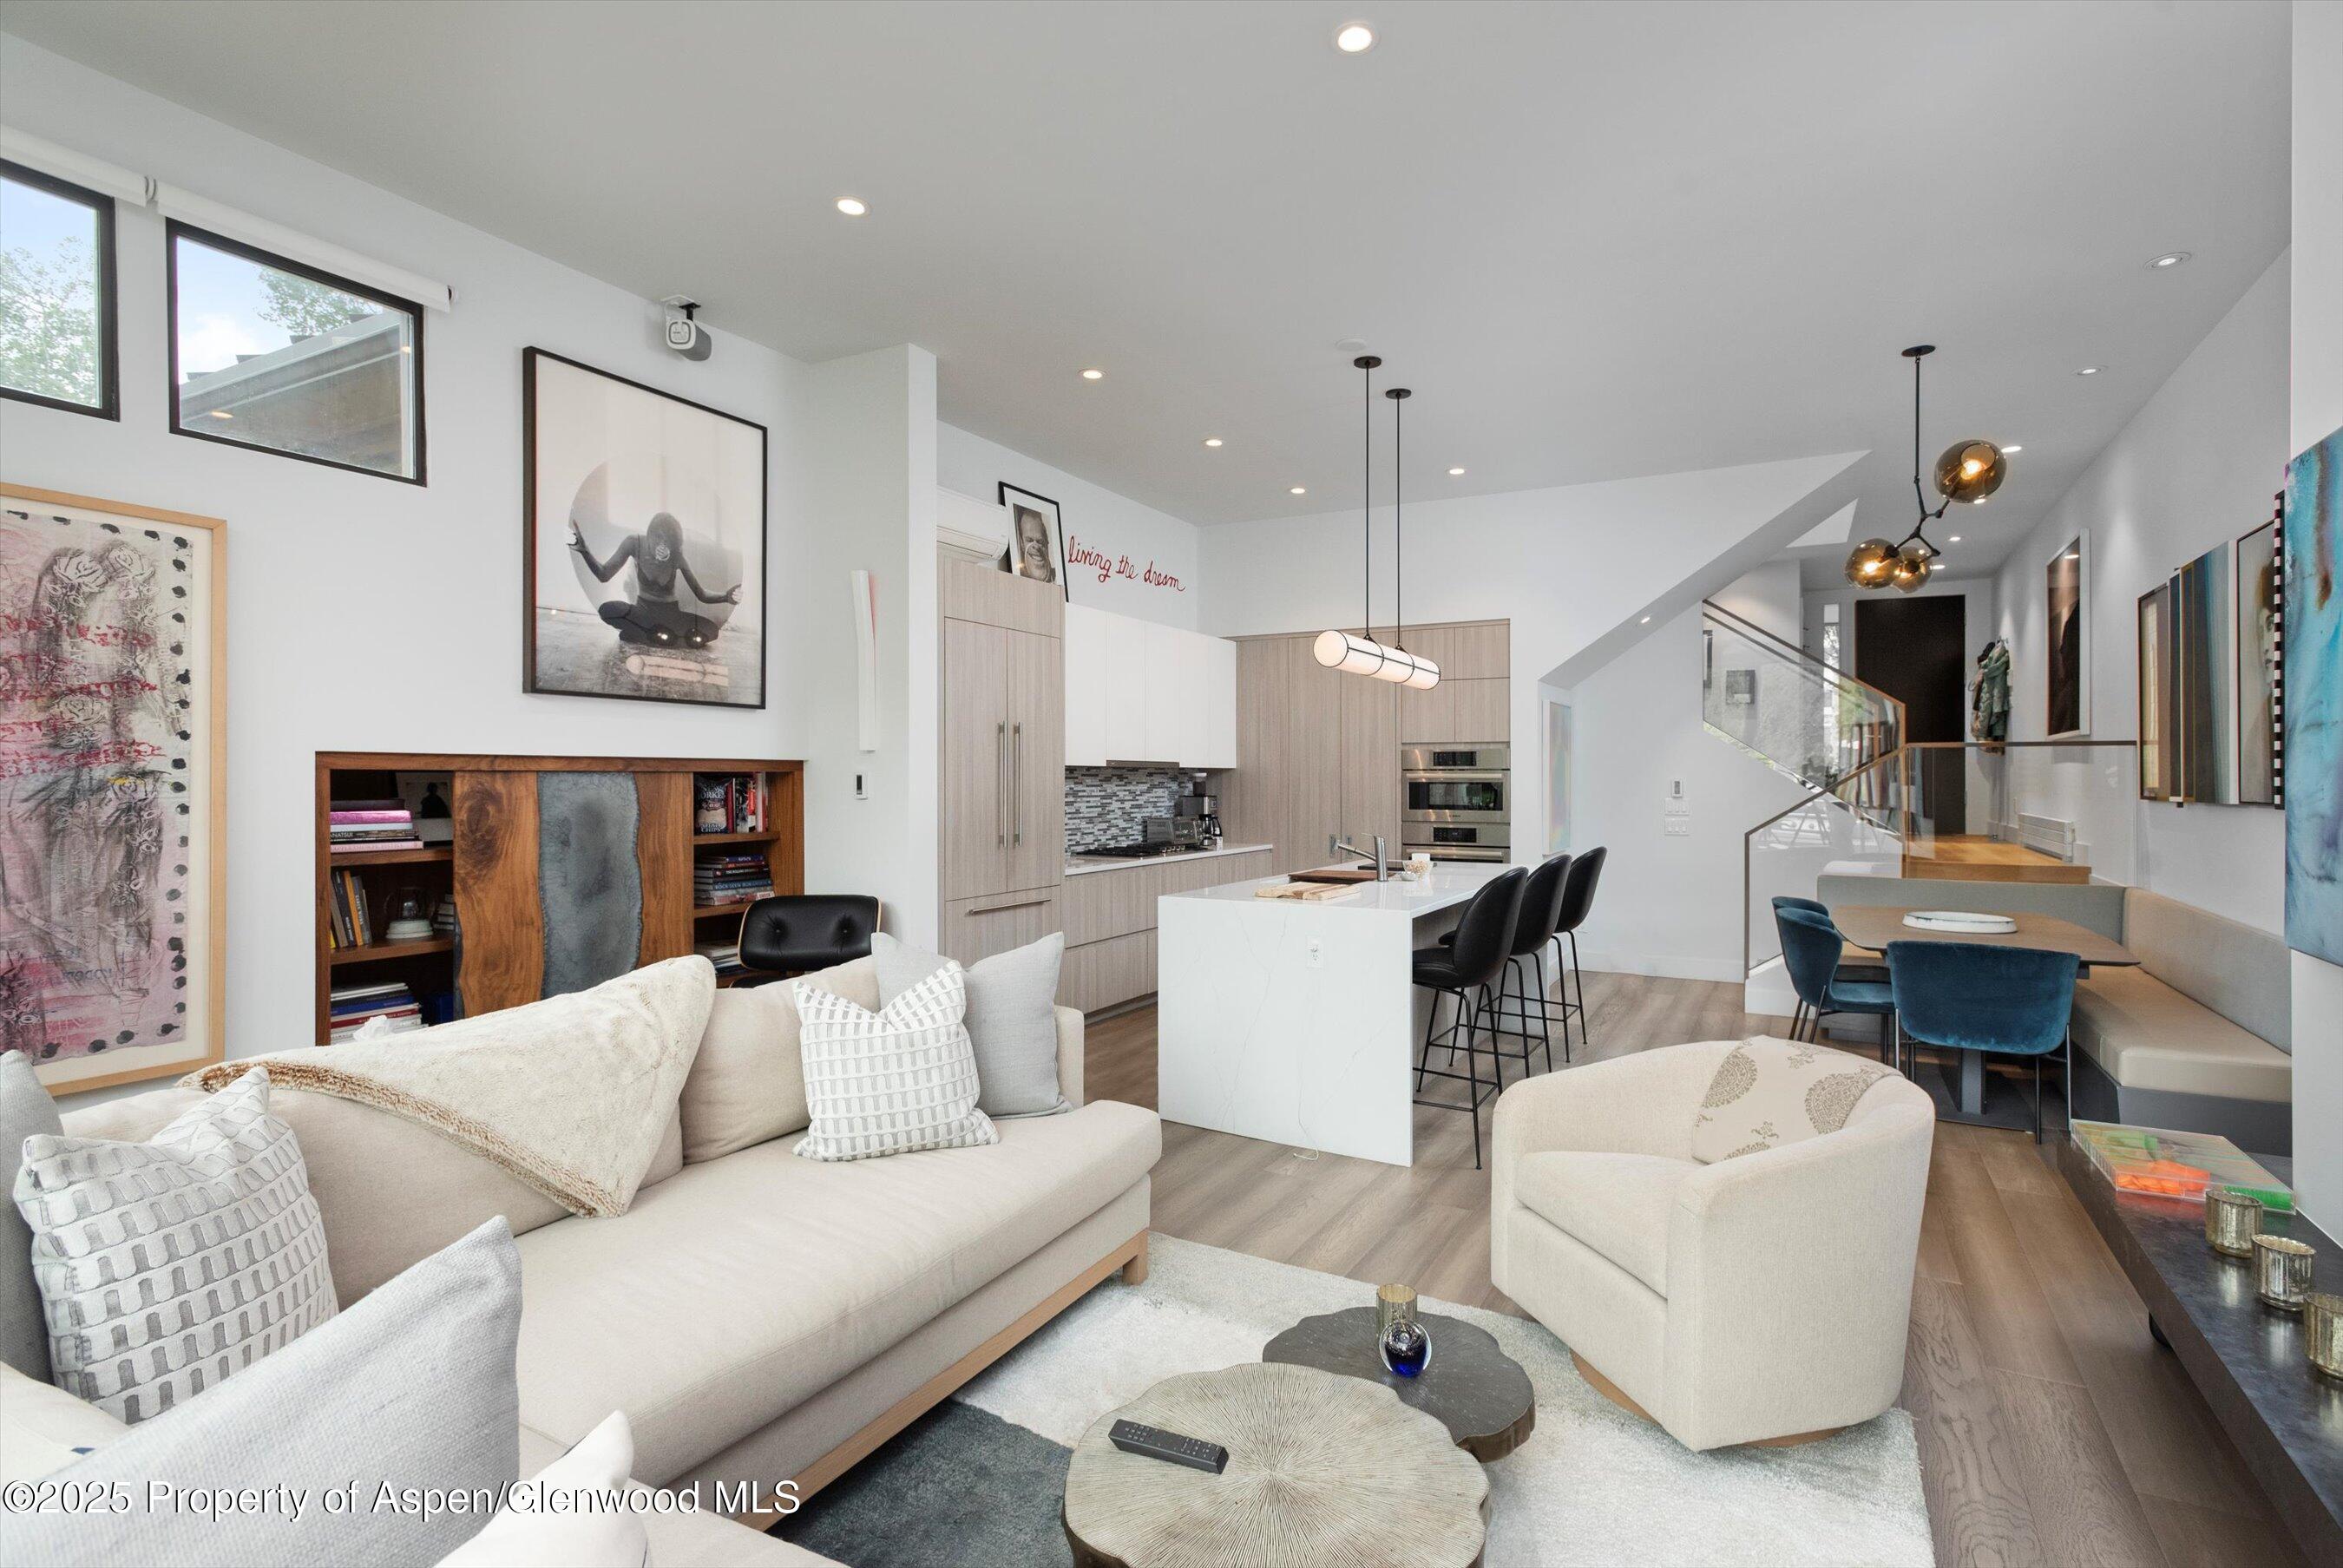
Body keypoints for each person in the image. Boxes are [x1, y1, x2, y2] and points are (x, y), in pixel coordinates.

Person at [569, 510, 741, 648]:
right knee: (608, 610)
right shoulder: (634, 543)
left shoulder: (677, 557)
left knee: (711, 630)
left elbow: (701, 594)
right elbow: (604, 574)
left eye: (667, 540)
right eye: (657, 537)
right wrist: (585, 551)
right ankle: (661, 635)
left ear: (674, 543)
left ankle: (646, 634)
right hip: (643, 613)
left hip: (671, 616)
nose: (661, 544)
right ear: (649, 534)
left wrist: (726, 596)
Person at [1012, 504, 1057, 585]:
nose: (1035, 546)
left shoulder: (1057, 578)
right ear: (1022, 543)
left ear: (1046, 541)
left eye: (1040, 541)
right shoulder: (1018, 580)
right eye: (1029, 540)